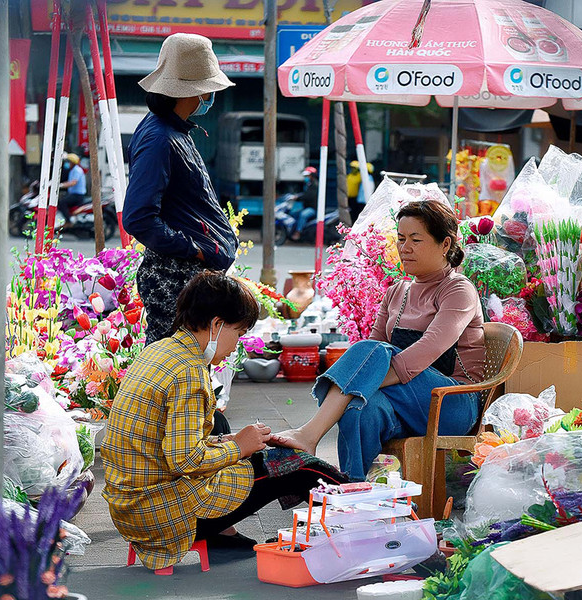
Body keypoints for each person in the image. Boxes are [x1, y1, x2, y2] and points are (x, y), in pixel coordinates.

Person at [102, 272, 346, 570]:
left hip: (130, 507)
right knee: (304, 466)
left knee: (221, 426)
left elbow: (172, 442)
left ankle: (224, 535)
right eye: (238, 333)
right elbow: (184, 459)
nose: (236, 346)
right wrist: (241, 447)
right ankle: (368, 519)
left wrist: (235, 441)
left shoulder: (159, 350)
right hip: (162, 513)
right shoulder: (188, 372)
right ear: (216, 324)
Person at [274, 200, 486, 481]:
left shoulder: (459, 290)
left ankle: (309, 434)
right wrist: (361, 385)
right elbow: (372, 350)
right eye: (400, 239)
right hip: (405, 401)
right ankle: (353, 491)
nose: (404, 247)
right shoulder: (397, 292)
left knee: (369, 358)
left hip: (452, 402)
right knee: (360, 408)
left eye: (415, 239)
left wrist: (365, 380)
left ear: (445, 245)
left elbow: (428, 349)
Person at [122, 33, 238, 345]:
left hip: (187, 277)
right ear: (195, 91)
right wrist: (194, 249)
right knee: (176, 371)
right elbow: (138, 218)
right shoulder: (159, 138)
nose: (211, 95)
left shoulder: (174, 130)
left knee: (185, 371)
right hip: (174, 277)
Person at [290, 166, 319, 241]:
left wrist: (298, 198)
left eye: (307, 176)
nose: (306, 177)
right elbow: (304, 194)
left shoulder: (315, 185)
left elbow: (308, 196)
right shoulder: (308, 184)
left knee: (303, 215)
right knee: (293, 213)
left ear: (312, 175)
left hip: (313, 208)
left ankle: (298, 232)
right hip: (306, 207)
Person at [58, 153, 87, 220]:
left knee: (62, 203)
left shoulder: (76, 170)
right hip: (74, 194)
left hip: (77, 195)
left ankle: (68, 221)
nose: (67, 163)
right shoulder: (72, 170)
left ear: (72, 162)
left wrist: (61, 185)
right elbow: (68, 182)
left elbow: (73, 183)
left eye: (68, 162)